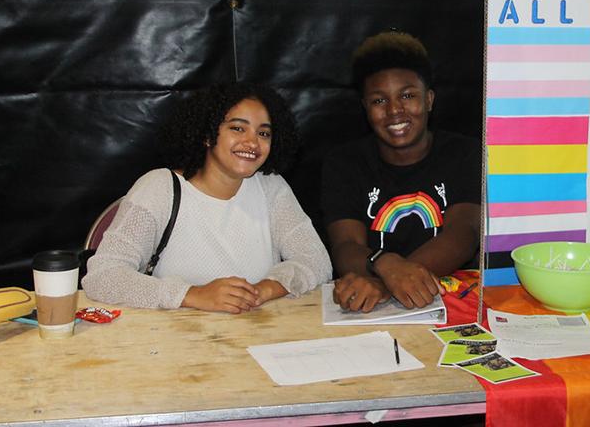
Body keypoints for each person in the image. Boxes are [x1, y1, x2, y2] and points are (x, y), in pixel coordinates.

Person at [82, 83, 332, 312]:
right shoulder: (159, 188)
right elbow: (103, 276)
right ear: (207, 134)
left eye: (263, 133)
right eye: (237, 128)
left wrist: (263, 289)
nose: (252, 142)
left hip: (258, 336)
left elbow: (316, 260)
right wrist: (192, 295)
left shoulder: (271, 187)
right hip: (177, 343)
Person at [321, 31, 480, 312]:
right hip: (372, 309)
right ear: (365, 108)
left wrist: (389, 281)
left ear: (429, 99)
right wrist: (385, 264)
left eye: (407, 95)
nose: (395, 110)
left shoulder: (464, 153)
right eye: (379, 101)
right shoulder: (343, 162)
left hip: (452, 302)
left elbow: (464, 233)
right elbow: (345, 246)